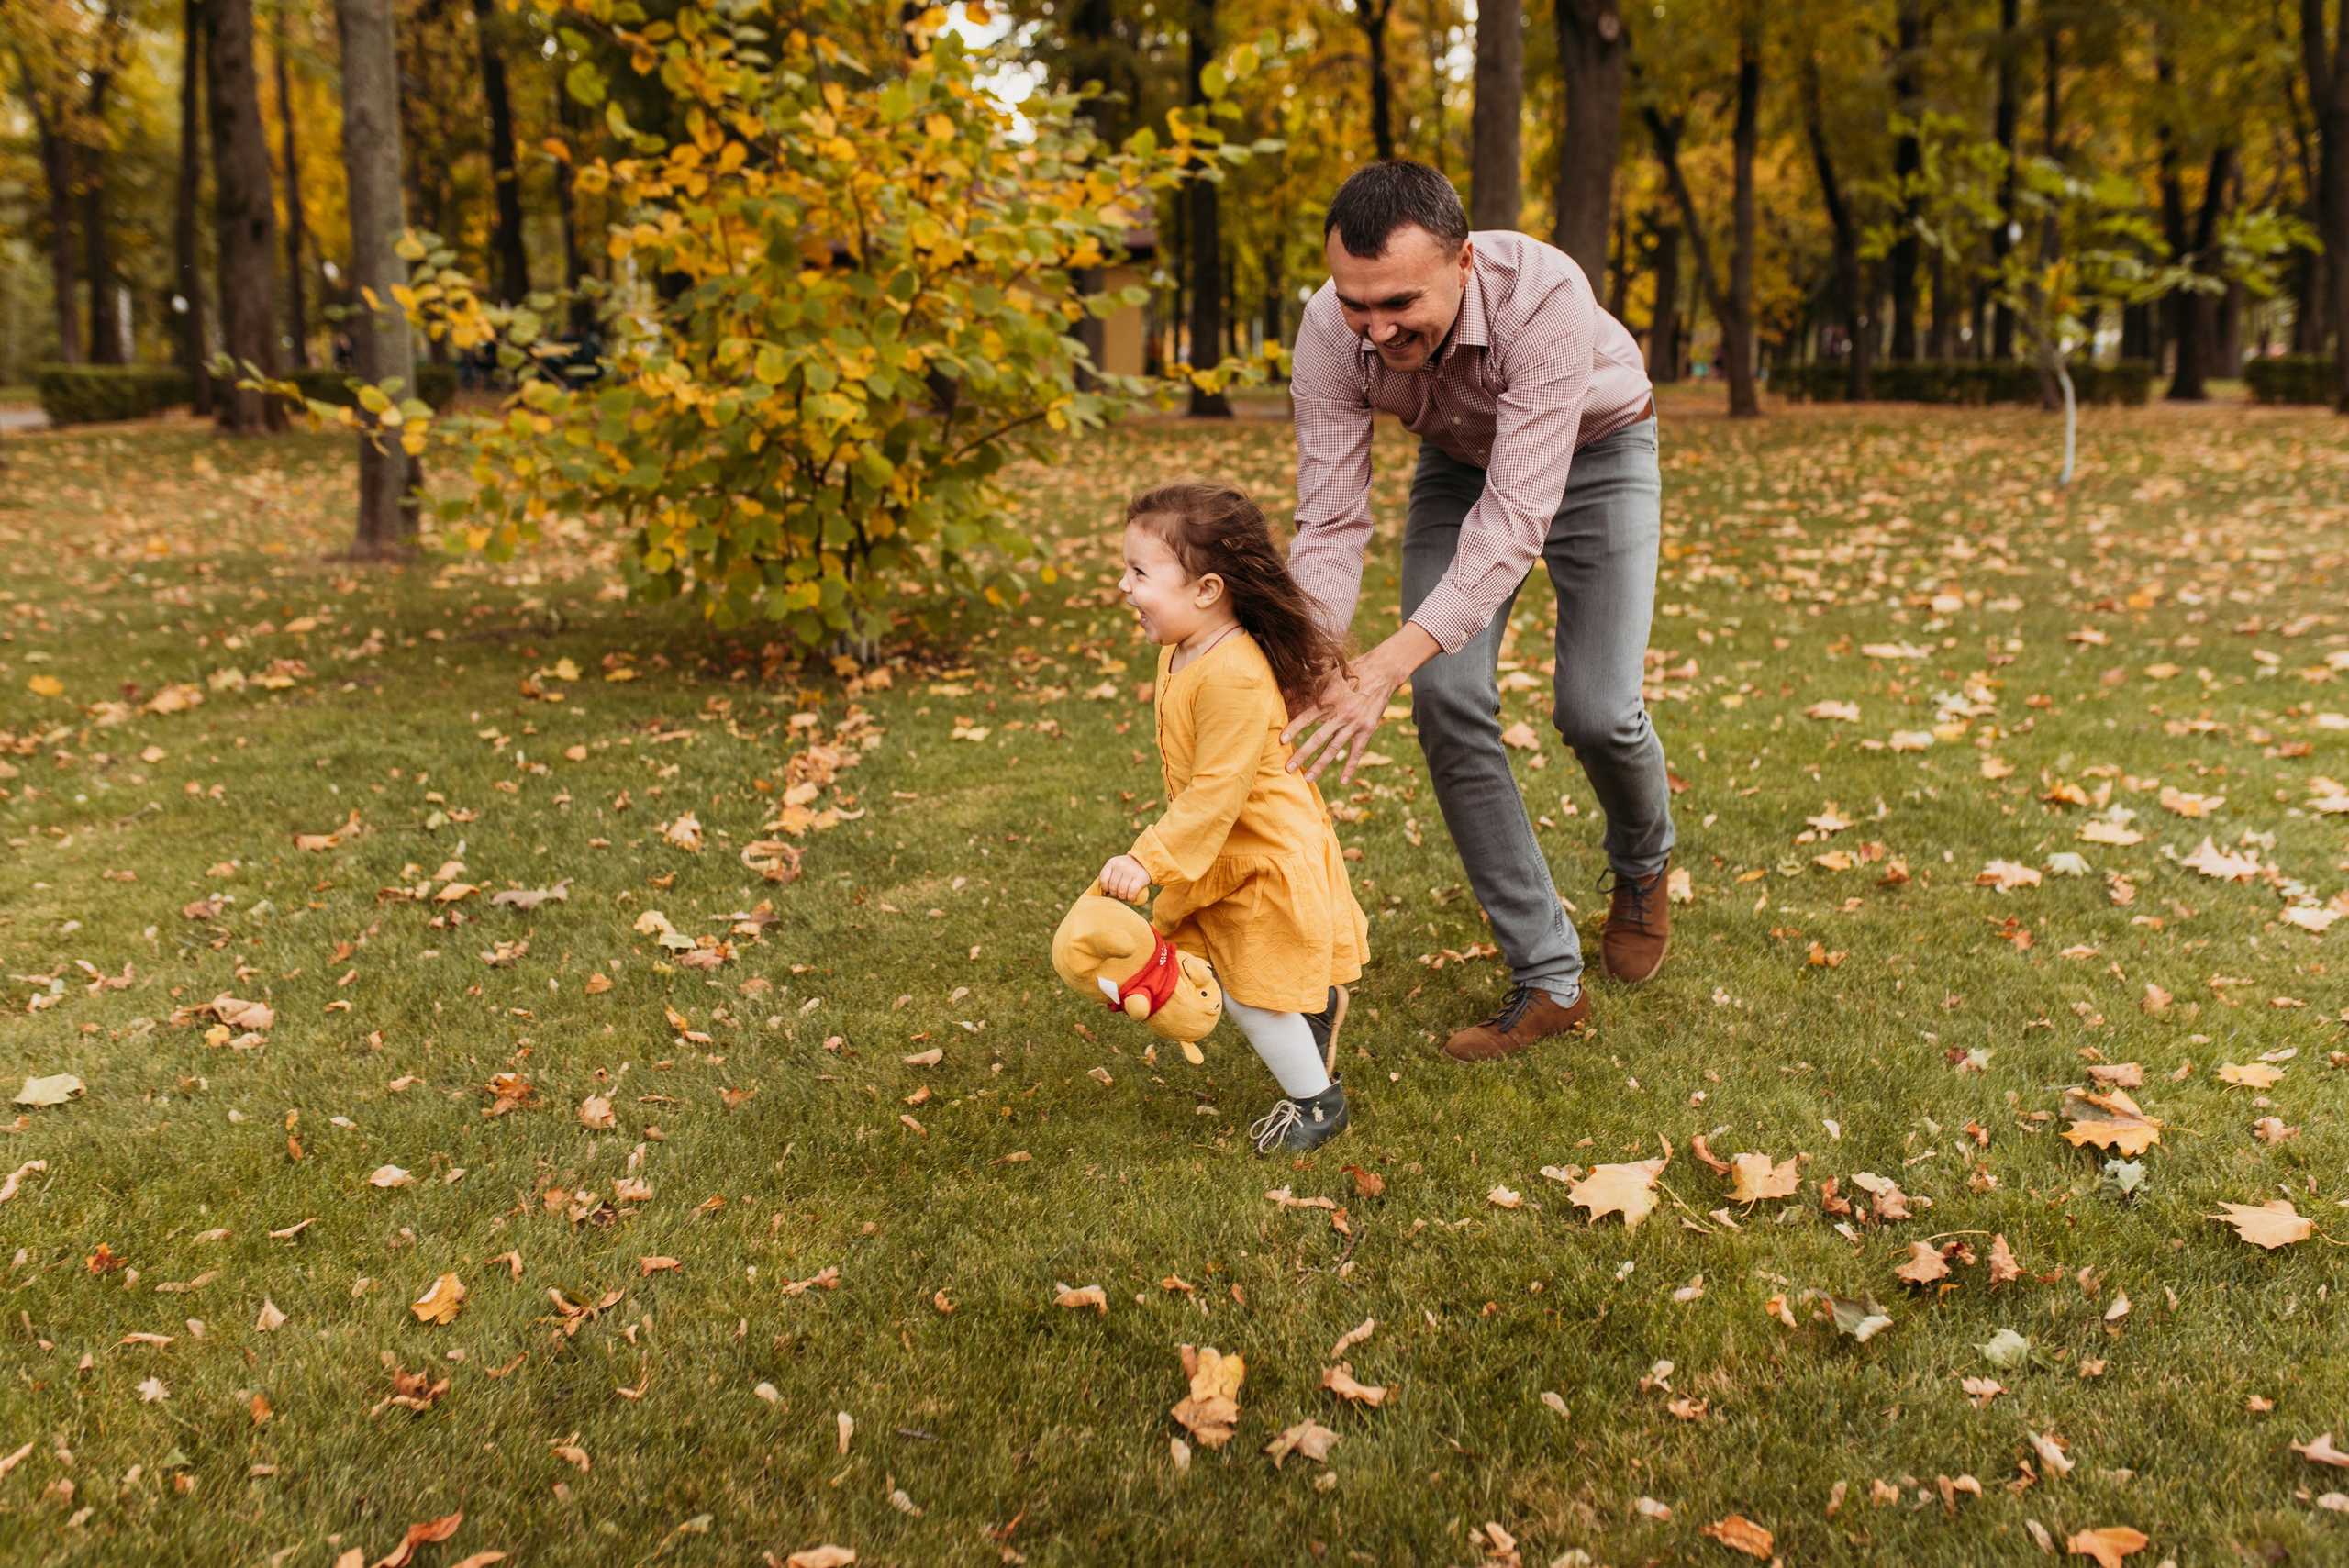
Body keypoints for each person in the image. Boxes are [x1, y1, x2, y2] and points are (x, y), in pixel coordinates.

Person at [1279, 159, 1674, 1064]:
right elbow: (1331, 518)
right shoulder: (1325, 331)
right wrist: (1306, 657)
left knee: (1597, 709)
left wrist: (1381, 662)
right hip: (1457, 465)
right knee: (1447, 695)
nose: (1375, 329)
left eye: (1399, 303)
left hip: (1596, 455)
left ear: (1463, 265)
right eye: (1355, 302)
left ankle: (1643, 862)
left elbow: (1514, 523)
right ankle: (1548, 977)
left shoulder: (1545, 296)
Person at [1095, 481, 1371, 1154]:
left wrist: (1146, 858)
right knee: (1210, 964)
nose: (1124, 587)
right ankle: (1313, 1009)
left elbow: (1215, 794)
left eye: (1139, 572)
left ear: (1207, 589)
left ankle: (1317, 1102)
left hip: (1264, 855)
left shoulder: (1234, 676)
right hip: (1225, 849)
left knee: (1246, 990)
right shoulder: (1183, 648)